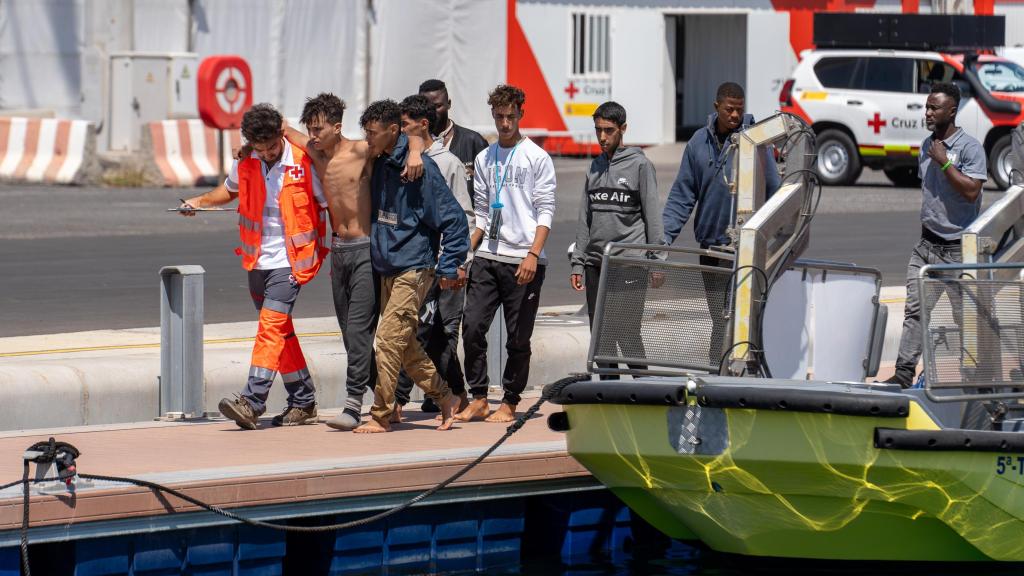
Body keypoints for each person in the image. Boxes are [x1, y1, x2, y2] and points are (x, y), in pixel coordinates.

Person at [179, 103, 328, 430]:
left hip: (291, 261)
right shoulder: (248, 161)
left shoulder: (303, 163)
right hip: (257, 261)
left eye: (272, 147)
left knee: (270, 328)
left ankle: (252, 400)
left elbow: (334, 199)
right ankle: (303, 400)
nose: (268, 154)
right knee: (281, 331)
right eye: (260, 149)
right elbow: (227, 191)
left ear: (281, 135)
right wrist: (198, 202)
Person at [291, 93, 419, 431]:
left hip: (366, 250)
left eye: (319, 129)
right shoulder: (316, 153)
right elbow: (280, 130)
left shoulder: (362, 151)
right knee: (351, 337)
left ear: (337, 126)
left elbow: (403, 137)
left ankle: (352, 405)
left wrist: (417, 150)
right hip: (339, 252)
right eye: (310, 129)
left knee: (359, 331)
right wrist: (243, 149)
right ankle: (392, 395)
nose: (313, 135)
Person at [355, 99, 470, 433]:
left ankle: (382, 414)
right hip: (387, 266)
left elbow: (455, 221)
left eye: (373, 134)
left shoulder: (421, 169)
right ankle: (446, 397)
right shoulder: (380, 159)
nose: (368, 141)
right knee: (406, 347)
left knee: (388, 341)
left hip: (414, 267)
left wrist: (449, 268)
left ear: (393, 131)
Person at [661, 82, 780, 367]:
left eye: (740, 109)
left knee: (739, 315)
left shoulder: (757, 143)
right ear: (717, 107)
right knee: (719, 316)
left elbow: (776, 192)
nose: (735, 116)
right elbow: (682, 196)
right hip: (711, 250)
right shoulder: (697, 143)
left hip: (746, 251)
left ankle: (739, 370)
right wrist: (663, 239)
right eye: (729, 110)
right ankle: (718, 370)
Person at [457, 84, 556, 424]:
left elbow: (545, 211)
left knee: (518, 338)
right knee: (471, 328)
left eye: (511, 117)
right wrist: (465, 254)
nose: (505, 123)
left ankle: (510, 401)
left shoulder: (537, 157)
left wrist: (533, 254)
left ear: (521, 115)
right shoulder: (485, 158)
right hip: (489, 256)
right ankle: (480, 397)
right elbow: (483, 215)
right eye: (499, 117)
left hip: (523, 260)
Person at [885, 82, 986, 388]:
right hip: (926, 247)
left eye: (934, 108)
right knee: (915, 311)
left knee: (965, 319)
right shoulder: (927, 146)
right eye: (927, 107)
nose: (927, 113)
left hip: (958, 252)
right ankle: (903, 373)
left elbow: (971, 192)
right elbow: (931, 197)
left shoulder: (970, 148)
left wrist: (944, 161)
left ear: (952, 111)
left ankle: (972, 377)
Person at [393, 94, 475, 420]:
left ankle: (401, 401)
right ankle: (454, 394)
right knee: (425, 333)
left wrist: (456, 264)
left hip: (445, 267)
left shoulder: (448, 163)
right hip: (416, 265)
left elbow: (464, 217)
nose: (400, 130)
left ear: (422, 124)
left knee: (431, 334)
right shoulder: (403, 159)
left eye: (405, 125)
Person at [570, 101, 663, 378]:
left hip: (629, 263)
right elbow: (584, 218)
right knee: (600, 334)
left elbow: (653, 217)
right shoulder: (595, 166)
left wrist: (657, 261)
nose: (602, 137)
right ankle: (608, 391)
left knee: (626, 330)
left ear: (623, 129)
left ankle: (644, 390)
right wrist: (579, 262)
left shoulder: (640, 165)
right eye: (598, 130)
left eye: (608, 130)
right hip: (597, 264)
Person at [419, 78, 488, 193]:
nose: (432, 112)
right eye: (427, 108)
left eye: (437, 106)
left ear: (449, 104)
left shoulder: (474, 141)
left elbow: (490, 187)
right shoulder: (412, 144)